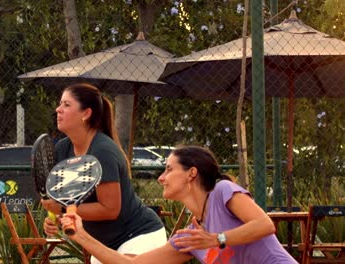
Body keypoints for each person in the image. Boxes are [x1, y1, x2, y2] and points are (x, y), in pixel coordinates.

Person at [60, 146, 298, 264]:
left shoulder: (222, 192)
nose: (161, 178)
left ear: (191, 174)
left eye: (169, 169)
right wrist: (80, 235)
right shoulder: (191, 238)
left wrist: (216, 239)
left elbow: (265, 225)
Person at [42, 83, 166, 264]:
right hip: (104, 244)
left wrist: (61, 209)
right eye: (60, 103)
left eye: (66, 105)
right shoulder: (62, 149)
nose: (58, 109)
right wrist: (53, 218)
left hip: (138, 236)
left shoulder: (102, 151)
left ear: (86, 113)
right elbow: (65, 200)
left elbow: (110, 210)